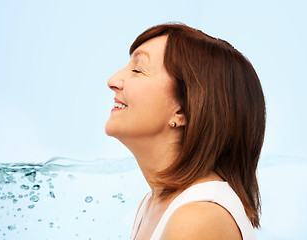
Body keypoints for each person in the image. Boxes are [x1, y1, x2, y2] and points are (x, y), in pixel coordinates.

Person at [105, 23, 265, 240]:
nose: (113, 81)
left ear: (183, 110)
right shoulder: (153, 204)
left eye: (137, 70)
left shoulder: (197, 217)